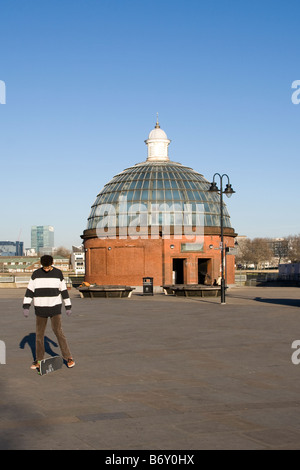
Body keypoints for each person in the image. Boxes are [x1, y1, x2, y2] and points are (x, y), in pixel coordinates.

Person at [22, 255, 75, 370]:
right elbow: (30, 290)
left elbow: (64, 291)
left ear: (52, 264)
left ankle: (68, 357)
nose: (46, 269)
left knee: (58, 332)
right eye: (44, 267)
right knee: (39, 335)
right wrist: (26, 306)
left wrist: (68, 306)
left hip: (55, 308)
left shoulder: (58, 274)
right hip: (40, 309)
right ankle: (38, 360)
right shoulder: (36, 274)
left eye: (48, 267)